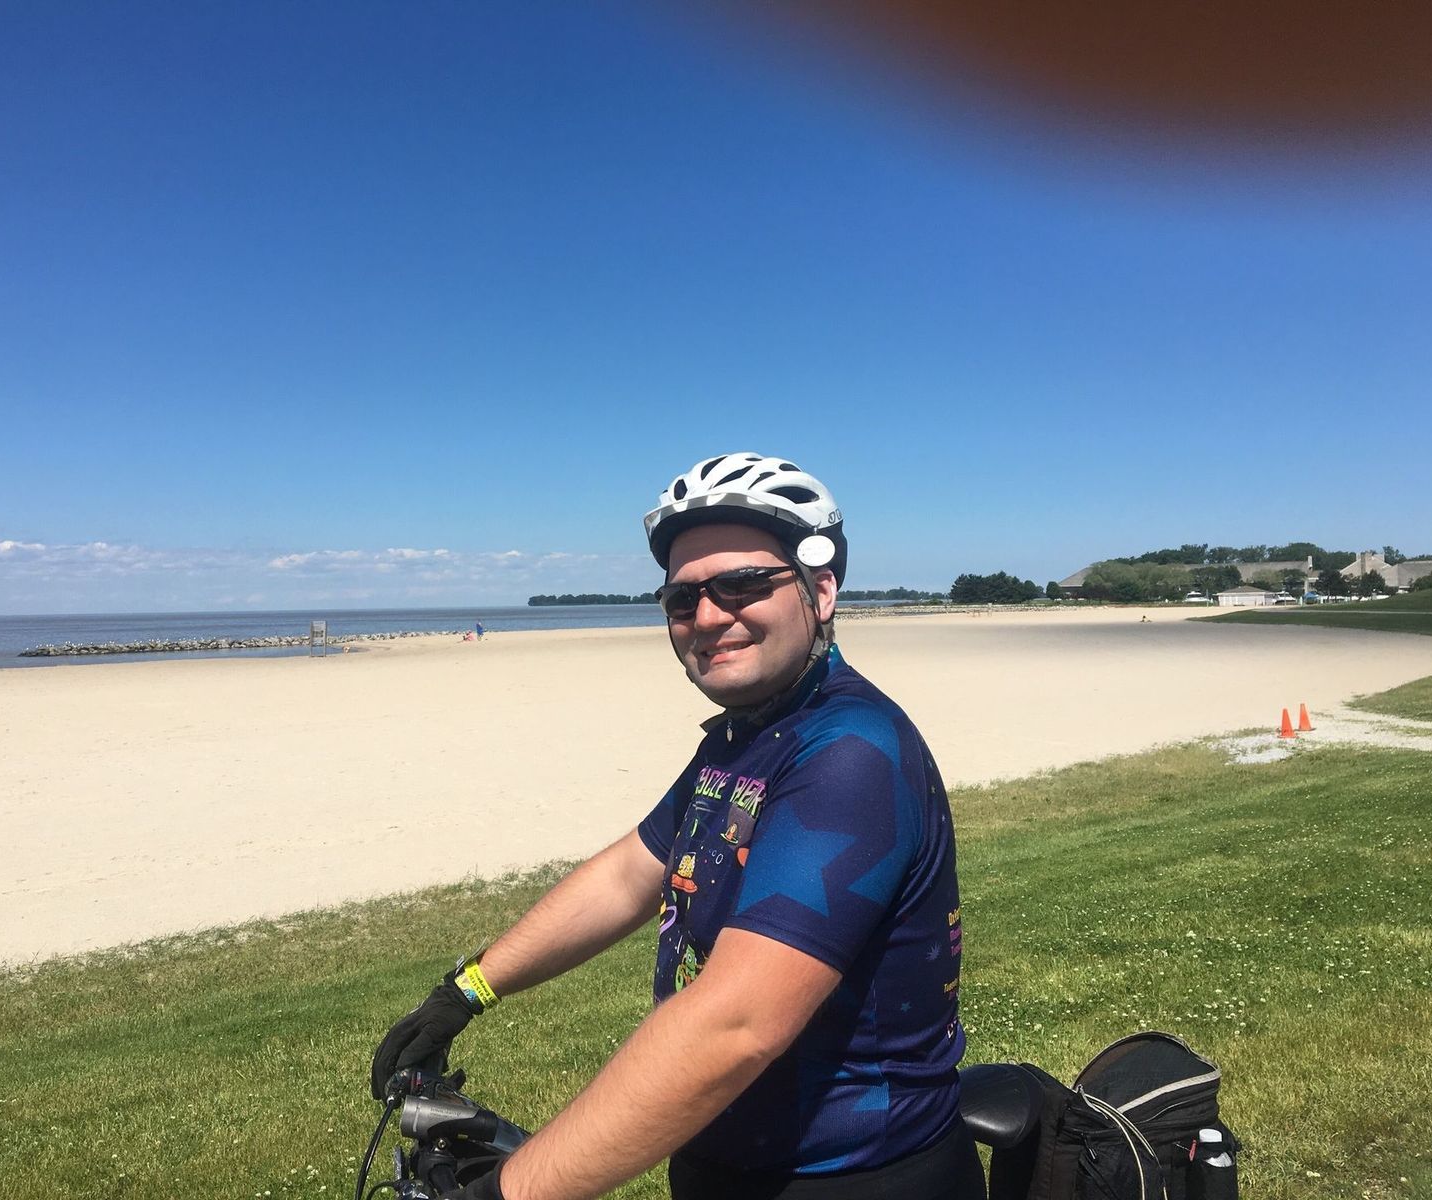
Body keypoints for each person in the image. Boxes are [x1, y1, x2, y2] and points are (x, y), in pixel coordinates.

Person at [371, 452, 980, 1200]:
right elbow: (630, 874)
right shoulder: (746, 736)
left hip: (852, 1178)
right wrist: (466, 991)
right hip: (724, 1162)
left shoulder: (849, 754)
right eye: (683, 598)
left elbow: (735, 1026)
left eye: (744, 584)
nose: (710, 616)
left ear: (820, 590)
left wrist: (504, 1193)